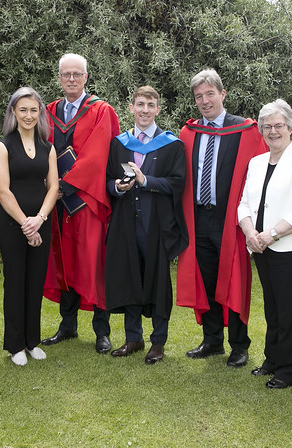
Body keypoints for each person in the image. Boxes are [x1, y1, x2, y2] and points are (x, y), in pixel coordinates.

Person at [176, 69, 266, 367]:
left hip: (232, 220)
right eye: (199, 96)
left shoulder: (245, 130)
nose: (204, 101)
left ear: (222, 94)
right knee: (206, 278)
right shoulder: (189, 133)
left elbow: (261, 178)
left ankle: (239, 344)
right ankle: (213, 340)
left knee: (234, 279)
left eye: (209, 94)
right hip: (199, 217)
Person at [239, 99, 292, 389]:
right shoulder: (256, 162)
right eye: (267, 126)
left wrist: (271, 234)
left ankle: (289, 370)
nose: (273, 131)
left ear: (290, 127)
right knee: (273, 309)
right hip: (262, 247)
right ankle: (272, 360)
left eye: (279, 125)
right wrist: (251, 232)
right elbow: (245, 203)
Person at [41, 53, 120, 354]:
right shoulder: (48, 112)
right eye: (66, 74)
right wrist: (50, 188)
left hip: (87, 200)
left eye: (77, 74)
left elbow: (98, 154)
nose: (71, 79)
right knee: (64, 262)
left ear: (86, 77)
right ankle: (67, 325)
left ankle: (102, 330)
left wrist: (64, 185)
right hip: (56, 202)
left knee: (93, 264)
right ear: (59, 78)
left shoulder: (101, 110)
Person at [105, 86, 188, 364]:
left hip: (156, 226)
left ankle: (158, 342)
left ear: (158, 110)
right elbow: (106, 179)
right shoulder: (119, 143)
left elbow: (178, 183)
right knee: (130, 277)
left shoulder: (171, 145)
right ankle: (133, 338)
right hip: (126, 224)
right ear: (131, 108)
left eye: (150, 105)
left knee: (158, 283)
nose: (144, 109)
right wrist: (116, 186)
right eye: (140, 104)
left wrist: (145, 181)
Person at [0, 87, 59, 366]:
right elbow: (2, 191)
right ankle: (15, 344)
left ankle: (33, 341)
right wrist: (25, 223)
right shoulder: (2, 145)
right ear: (13, 112)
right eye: (23, 110)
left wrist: (39, 220)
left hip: (41, 222)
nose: (29, 115)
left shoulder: (48, 147)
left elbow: (53, 186)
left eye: (34, 110)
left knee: (35, 282)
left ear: (40, 113)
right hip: (12, 224)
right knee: (15, 282)